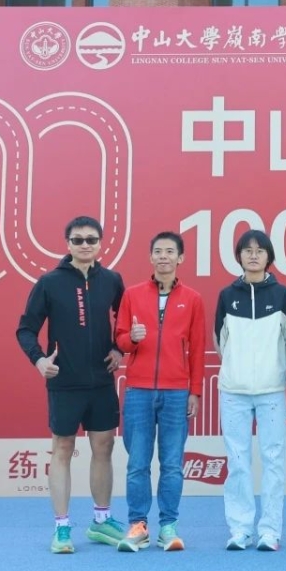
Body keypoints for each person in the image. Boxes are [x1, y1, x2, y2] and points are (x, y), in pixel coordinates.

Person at [15, 216, 126, 554]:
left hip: (101, 382)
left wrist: (119, 349)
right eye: (78, 240)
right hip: (64, 382)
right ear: (68, 244)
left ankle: (101, 520)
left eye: (91, 239)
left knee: (103, 448)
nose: (85, 245)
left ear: (100, 243)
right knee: (62, 449)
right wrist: (39, 360)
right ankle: (62, 527)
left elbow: (126, 321)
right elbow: (25, 329)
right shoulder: (49, 282)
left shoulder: (112, 280)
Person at [113, 231, 206, 553]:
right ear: (150, 257)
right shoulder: (132, 295)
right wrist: (132, 338)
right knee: (137, 463)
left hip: (177, 392)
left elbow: (197, 348)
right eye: (158, 251)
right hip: (138, 390)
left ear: (181, 258)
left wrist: (195, 391)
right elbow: (120, 340)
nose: (163, 256)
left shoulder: (192, 299)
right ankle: (138, 525)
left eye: (169, 251)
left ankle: (168, 526)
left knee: (171, 464)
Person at [215, 229, 286, 552]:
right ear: (239, 256)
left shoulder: (283, 295)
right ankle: (240, 529)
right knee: (237, 461)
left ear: (269, 256)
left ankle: (270, 531)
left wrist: (274, 370)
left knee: (273, 460)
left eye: (259, 250)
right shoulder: (226, 295)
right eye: (247, 250)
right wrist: (236, 369)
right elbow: (220, 342)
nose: (253, 255)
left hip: (271, 390)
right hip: (233, 391)